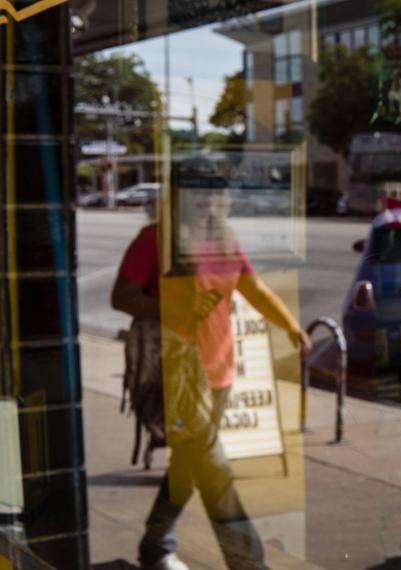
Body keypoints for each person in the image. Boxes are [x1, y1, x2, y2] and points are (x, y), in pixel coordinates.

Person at [112, 168, 311, 570]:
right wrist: (173, 307)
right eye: (199, 198)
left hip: (219, 374)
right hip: (178, 377)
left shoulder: (225, 240)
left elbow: (252, 287)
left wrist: (290, 327)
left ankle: (155, 545)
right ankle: (248, 563)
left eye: (217, 198)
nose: (211, 206)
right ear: (178, 200)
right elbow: (122, 295)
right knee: (215, 471)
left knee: (188, 466)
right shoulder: (156, 241)